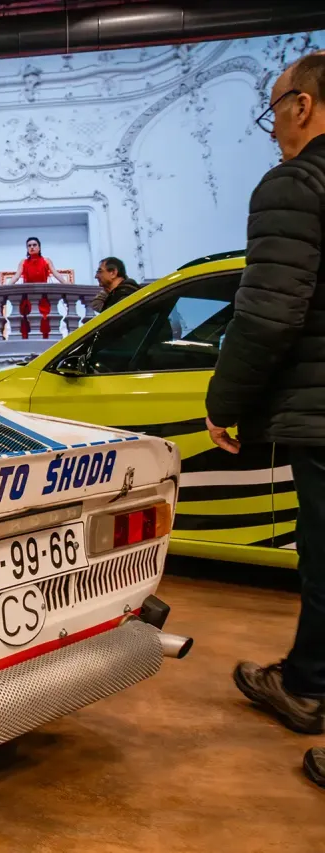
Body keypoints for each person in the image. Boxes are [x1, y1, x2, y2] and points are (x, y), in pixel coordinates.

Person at [203, 52, 325, 790]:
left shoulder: (297, 183)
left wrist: (227, 402)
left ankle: (308, 688)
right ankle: (306, 678)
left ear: (301, 106)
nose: (273, 126)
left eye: (272, 110)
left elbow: (269, 313)